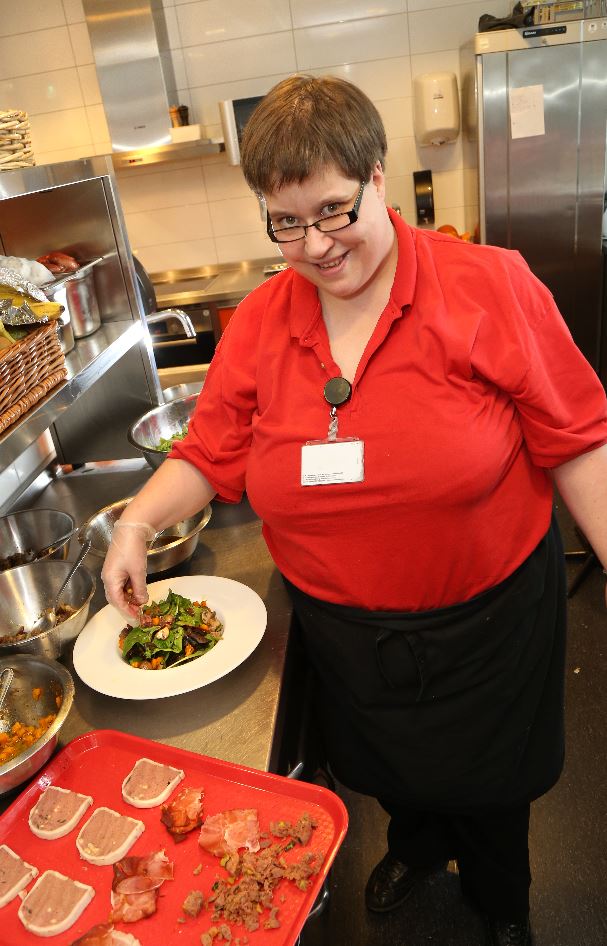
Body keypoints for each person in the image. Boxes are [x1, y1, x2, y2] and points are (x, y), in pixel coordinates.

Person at [101, 74, 607, 946]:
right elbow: (208, 450)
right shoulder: (261, 322)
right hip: (346, 629)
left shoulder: (490, 285)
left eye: (335, 211)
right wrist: (137, 522)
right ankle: (413, 849)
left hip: (487, 622)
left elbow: (579, 439)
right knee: (392, 771)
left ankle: (500, 899)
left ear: (378, 177)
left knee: (491, 784)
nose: (316, 245)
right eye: (286, 222)